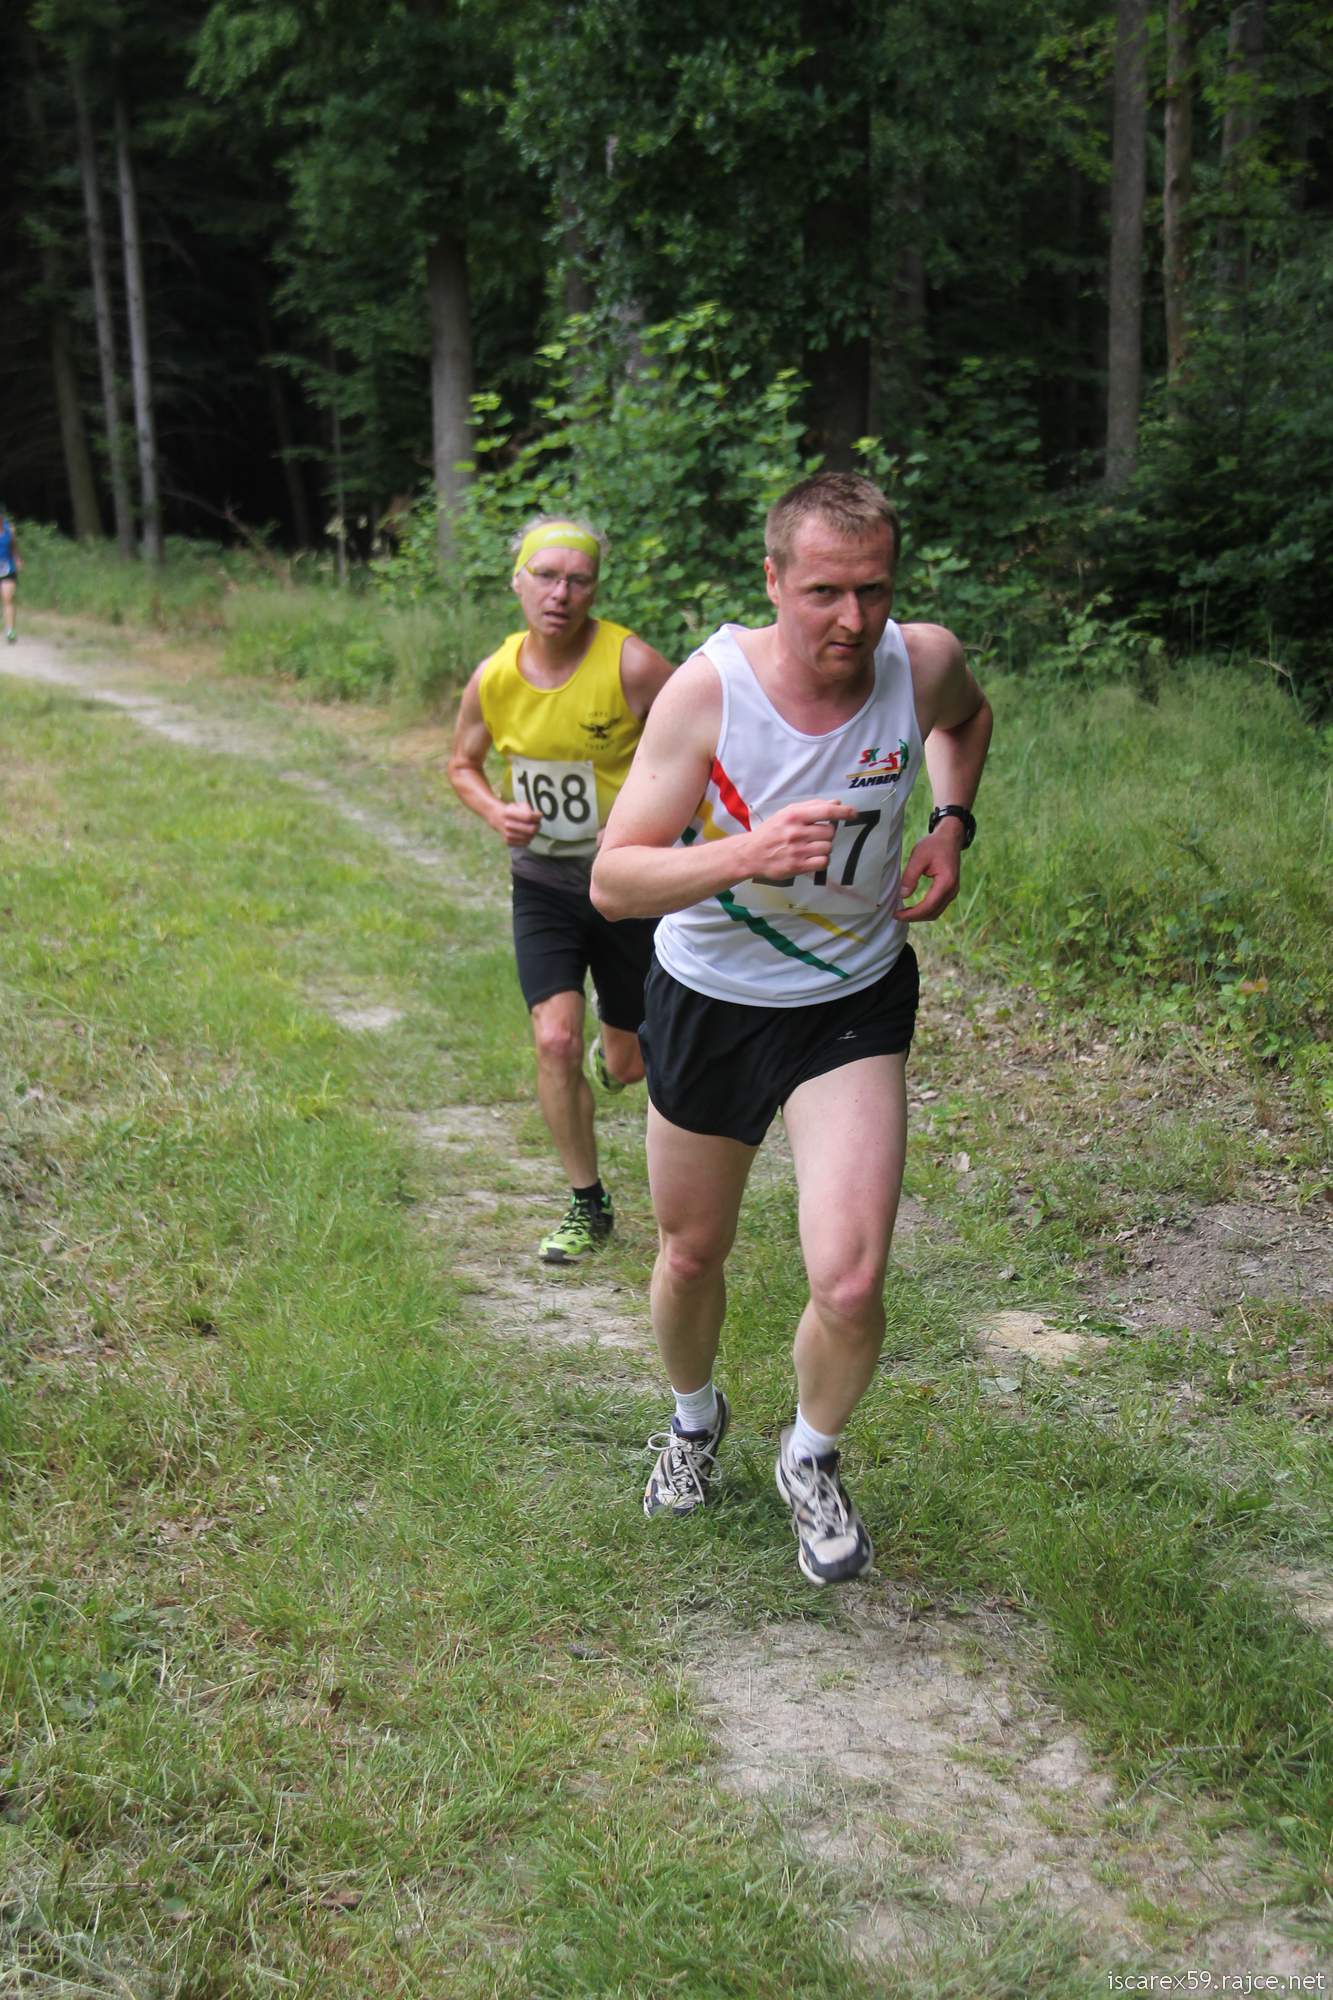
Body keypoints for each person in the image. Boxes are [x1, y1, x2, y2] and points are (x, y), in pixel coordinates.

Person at [590, 472, 992, 1585]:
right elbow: (615, 881)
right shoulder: (708, 693)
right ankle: (692, 1419)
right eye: (823, 592)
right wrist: (746, 853)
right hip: (710, 1000)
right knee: (690, 1252)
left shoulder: (922, 662)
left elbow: (966, 719)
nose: (852, 619)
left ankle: (809, 1454)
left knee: (851, 1280)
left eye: (873, 590)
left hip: (850, 1001)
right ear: (772, 581)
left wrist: (950, 824)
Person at [448, 516, 674, 1264]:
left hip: (627, 887)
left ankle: (615, 1057)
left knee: (628, 1063)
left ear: (594, 591)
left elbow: (707, 744)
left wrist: (648, 822)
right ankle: (587, 1202)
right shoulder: (495, 676)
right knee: (553, 1039)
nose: (560, 593)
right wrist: (496, 812)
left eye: (577, 580)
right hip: (542, 883)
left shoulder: (632, 663)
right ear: (517, 582)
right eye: (545, 576)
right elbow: (462, 763)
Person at [0, 509, 20, 643]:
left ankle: (10, 630)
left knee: (8, 598)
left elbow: (13, 547)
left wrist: (17, 559)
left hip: (7, 568)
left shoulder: (9, 529)